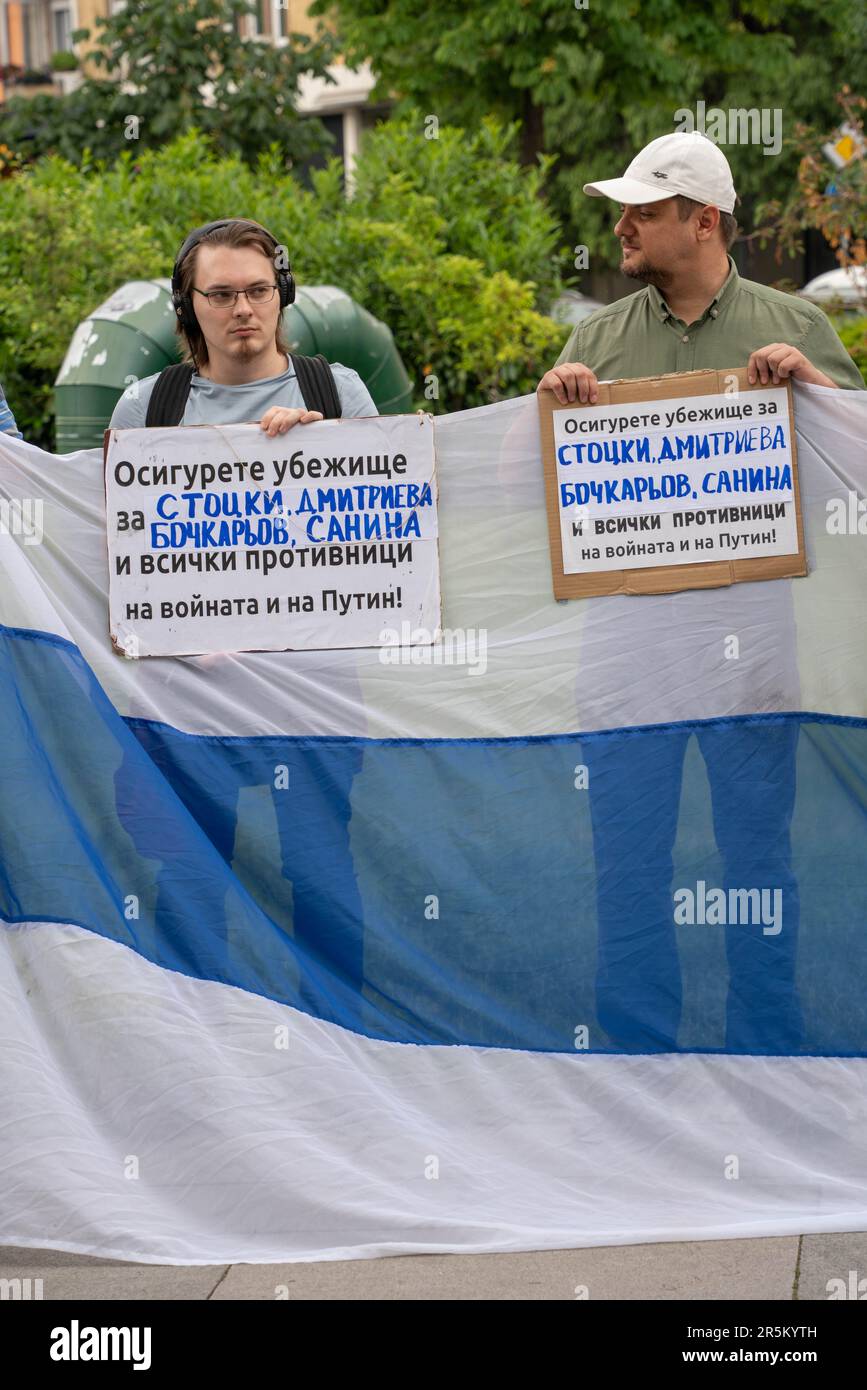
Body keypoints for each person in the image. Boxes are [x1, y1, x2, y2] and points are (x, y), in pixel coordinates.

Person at [538, 132, 864, 1054]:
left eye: (643, 210)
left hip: (750, 651)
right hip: (623, 650)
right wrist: (549, 406)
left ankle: (769, 1053)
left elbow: (855, 478)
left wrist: (813, 395)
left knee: (756, 859)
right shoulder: (593, 342)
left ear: (704, 221)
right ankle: (639, 1062)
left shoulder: (796, 329)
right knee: (629, 863)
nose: (623, 225)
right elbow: (542, 488)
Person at [111, 218, 375, 1028]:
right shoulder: (146, 407)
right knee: (188, 880)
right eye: (219, 295)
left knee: (323, 880)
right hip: (188, 702)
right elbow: (117, 552)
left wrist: (334, 455)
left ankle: (344, 1040)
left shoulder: (338, 394)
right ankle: (200, 1047)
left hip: (313, 694)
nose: (242, 310)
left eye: (257, 290)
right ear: (187, 307)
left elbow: (395, 536)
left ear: (282, 293)